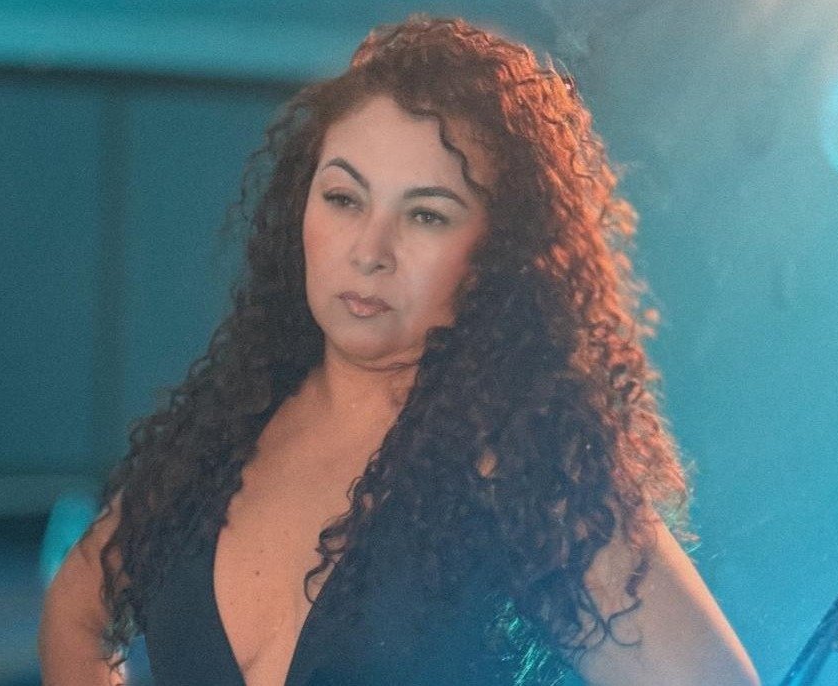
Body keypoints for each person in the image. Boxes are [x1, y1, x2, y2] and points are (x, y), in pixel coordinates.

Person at [39, 15, 760, 686]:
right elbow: (75, 611)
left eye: (425, 215)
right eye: (344, 199)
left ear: (497, 252)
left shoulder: (525, 470)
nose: (370, 251)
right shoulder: (223, 433)